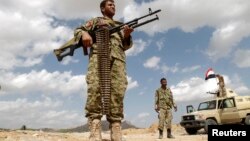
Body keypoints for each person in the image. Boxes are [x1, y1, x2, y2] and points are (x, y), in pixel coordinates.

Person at [73, 0, 133, 141]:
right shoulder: (96, 21)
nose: (113, 6)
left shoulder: (120, 26)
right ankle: (95, 127)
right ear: (102, 8)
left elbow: (126, 46)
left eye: (114, 5)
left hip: (118, 59)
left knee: (118, 91)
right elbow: (78, 30)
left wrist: (127, 35)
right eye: (109, 4)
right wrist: (84, 34)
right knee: (95, 89)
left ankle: (116, 127)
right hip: (99, 56)